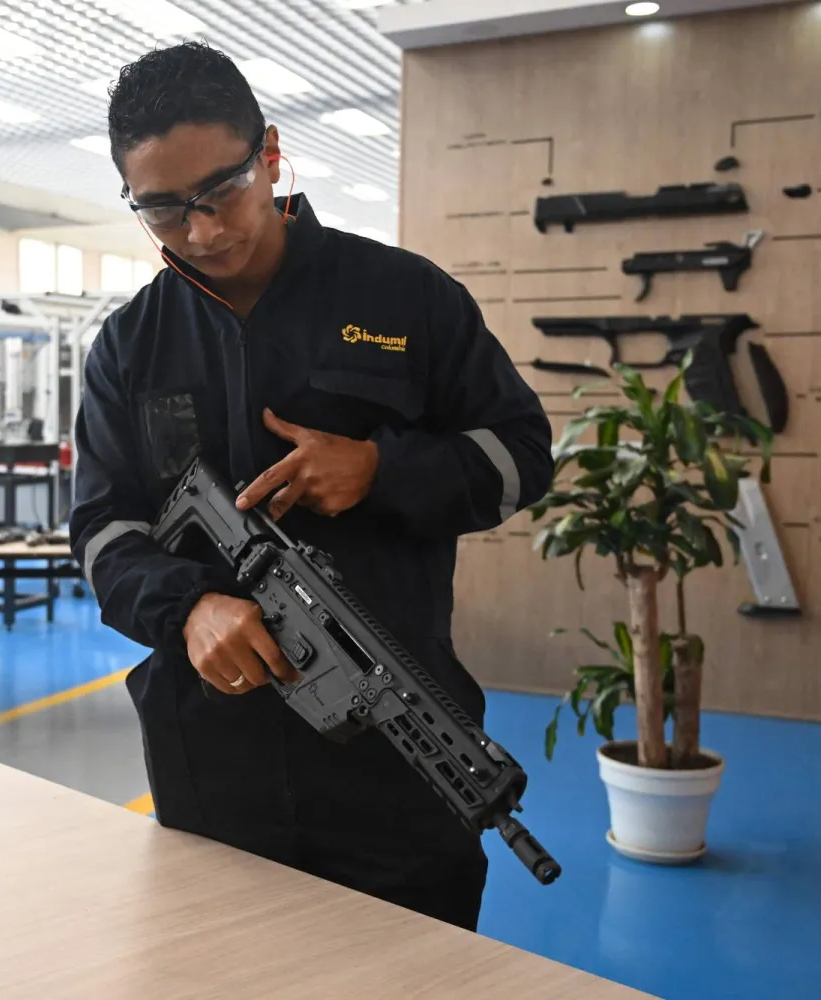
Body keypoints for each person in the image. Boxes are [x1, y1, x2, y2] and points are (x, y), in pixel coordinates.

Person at [68, 43, 554, 931]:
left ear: (272, 153)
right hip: (210, 753)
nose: (205, 230)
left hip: (399, 752)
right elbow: (101, 529)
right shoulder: (129, 347)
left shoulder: (408, 298)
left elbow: (524, 457)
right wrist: (186, 612)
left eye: (221, 190)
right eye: (164, 210)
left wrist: (384, 471)